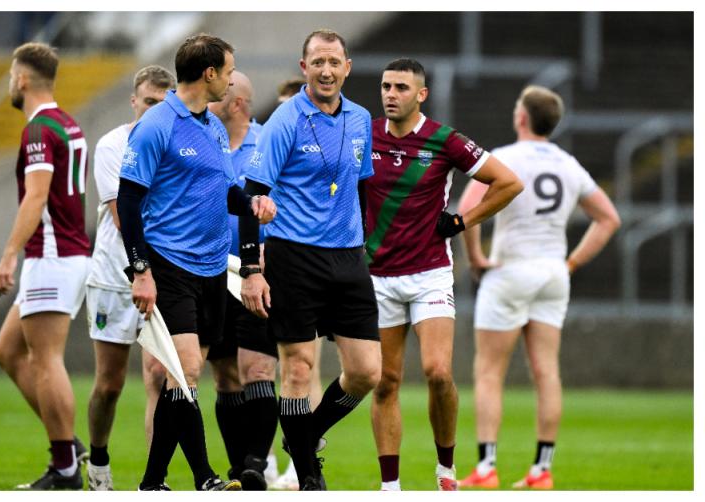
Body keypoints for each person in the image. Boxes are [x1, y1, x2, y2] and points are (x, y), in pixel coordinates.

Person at [116, 34, 276, 491]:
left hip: (211, 269)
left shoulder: (213, 128)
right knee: (184, 372)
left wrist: (252, 205)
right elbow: (129, 202)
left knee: (181, 380)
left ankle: (151, 483)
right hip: (169, 265)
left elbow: (226, 193)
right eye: (228, 70)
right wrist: (140, 270)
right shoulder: (157, 125)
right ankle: (205, 476)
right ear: (209, 74)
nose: (230, 78)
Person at [366, 58, 523, 492]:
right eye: (385, 86)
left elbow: (508, 182)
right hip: (376, 274)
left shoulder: (444, 140)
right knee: (386, 381)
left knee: (438, 372)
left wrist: (462, 221)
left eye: (400, 87)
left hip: (430, 271)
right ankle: (390, 487)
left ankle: (446, 469)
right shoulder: (365, 135)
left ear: (421, 94)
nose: (390, 94)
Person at [457, 85, 621, 490]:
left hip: (511, 269)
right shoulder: (569, 164)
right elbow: (608, 219)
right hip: (552, 273)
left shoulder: (505, 158)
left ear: (521, 117)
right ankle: (541, 470)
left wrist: (477, 258)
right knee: (547, 372)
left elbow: (465, 209)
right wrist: (572, 262)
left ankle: (487, 467)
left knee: (490, 371)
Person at [239, 29, 381, 491]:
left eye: (334, 62)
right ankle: (309, 475)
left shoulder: (360, 118)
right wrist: (252, 270)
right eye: (317, 61)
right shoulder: (285, 120)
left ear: (347, 67)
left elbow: (360, 186)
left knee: (365, 372)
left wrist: (368, 243)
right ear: (304, 68)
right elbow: (251, 194)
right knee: (298, 368)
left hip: (347, 258)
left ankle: (306, 435)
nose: (326, 70)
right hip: (294, 256)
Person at [0, 42, 92, 490]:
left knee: (46, 358)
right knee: (8, 351)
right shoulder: (67, 123)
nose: (10, 83)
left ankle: (65, 467)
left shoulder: (37, 130)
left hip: (51, 255)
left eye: (12, 75)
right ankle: (68, 444)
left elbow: (37, 195)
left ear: (23, 79)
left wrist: (10, 253)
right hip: (65, 254)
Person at [84, 65, 175, 491]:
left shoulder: (177, 142)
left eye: (163, 102)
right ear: (134, 101)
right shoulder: (112, 145)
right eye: (149, 101)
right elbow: (125, 216)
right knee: (110, 383)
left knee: (159, 375)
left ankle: (154, 480)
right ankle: (98, 461)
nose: (155, 109)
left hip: (161, 275)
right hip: (114, 277)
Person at [204, 70, 280, 491]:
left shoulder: (268, 142)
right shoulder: (204, 140)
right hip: (211, 272)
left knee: (258, 369)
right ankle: (239, 471)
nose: (207, 101)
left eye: (217, 96)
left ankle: (255, 463)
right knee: (224, 375)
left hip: (258, 274)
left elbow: (284, 202)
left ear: (236, 103)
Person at [265, 74, 326, 491]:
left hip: (305, 267)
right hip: (261, 269)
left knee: (305, 365)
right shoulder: (266, 148)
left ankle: (299, 462)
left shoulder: (321, 156)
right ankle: (264, 458)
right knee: (261, 368)